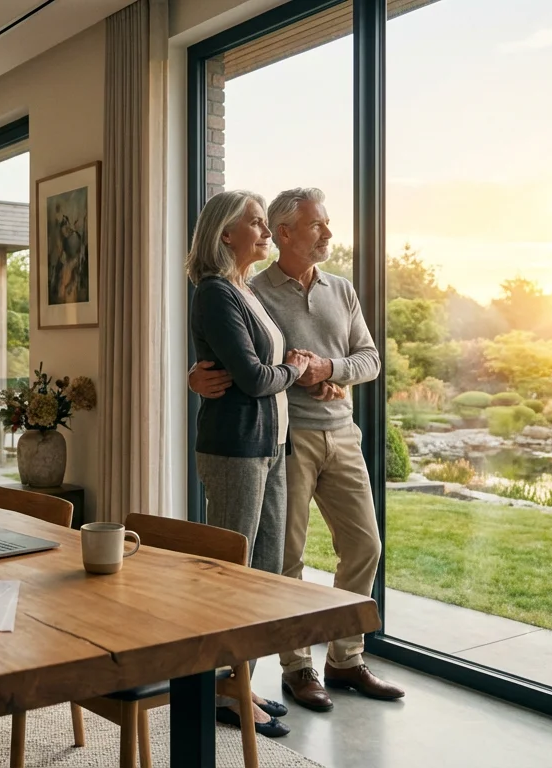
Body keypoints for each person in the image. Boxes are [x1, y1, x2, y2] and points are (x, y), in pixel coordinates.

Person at [190, 187, 406, 712]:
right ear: (284, 233)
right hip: (286, 437)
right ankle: (295, 667)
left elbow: (369, 359)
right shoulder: (250, 288)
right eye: (316, 226)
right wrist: (197, 375)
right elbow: (241, 363)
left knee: (364, 547)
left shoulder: (341, 290)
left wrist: (328, 370)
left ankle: (345, 659)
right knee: (280, 560)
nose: (328, 234)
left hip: (339, 432)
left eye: (326, 224)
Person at [187, 189, 311, 737]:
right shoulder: (215, 293)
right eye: (256, 223)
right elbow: (256, 376)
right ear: (225, 234)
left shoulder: (243, 289)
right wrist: (296, 367)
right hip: (235, 447)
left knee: (262, 571)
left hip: (269, 444)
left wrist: (282, 366)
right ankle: (221, 690)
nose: (266, 231)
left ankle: (239, 683)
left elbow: (258, 371)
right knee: (233, 576)